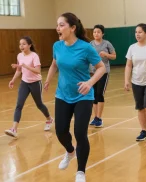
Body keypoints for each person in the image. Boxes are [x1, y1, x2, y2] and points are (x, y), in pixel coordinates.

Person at [44, 12, 106, 182]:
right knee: (61, 131)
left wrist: (90, 83)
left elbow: (101, 68)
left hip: (83, 96)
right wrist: (48, 80)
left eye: (61, 25)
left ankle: (81, 172)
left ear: (72, 28)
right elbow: (54, 63)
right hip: (62, 94)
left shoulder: (85, 48)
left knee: (80, 132)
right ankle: (70, 152)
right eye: (57, 25)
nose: (58, 28)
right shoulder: (57, 46)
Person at [4, 36, 53, 138]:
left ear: (29, 45)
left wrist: (25, 66)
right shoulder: (19, 56)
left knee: (39, 104)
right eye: (20, 44)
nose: (21, 46)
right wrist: (13, 80)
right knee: (19, 105)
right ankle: (14, 128)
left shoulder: (34, 56)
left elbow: (38, 71)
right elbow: (19, 70)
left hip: (35, 83)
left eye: (24, 44)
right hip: (24, 83)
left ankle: (49, 119)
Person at [89, 24, 116, 128]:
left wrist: (106, 55)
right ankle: (95, 117)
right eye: (94, 32)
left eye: (98, 32)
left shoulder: (107, 44)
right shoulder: (90, 44)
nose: (96, 34)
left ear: (102, 33)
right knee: (93, 95)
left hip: (103, 72)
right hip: (92, 72)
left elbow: (114, 56)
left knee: (100, 93)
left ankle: (99, 118)